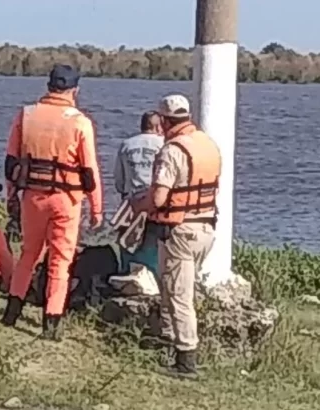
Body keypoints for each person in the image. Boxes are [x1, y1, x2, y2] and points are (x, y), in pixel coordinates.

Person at [0, 64, 104, 341]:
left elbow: (11, 162)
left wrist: (11, 194)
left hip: (32, 196)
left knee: (28, 254)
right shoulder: (81, 122)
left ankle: (12, 311)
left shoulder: (26, 114)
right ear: (75, 90)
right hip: (66, 200)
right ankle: (51, 322)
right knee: (60, 260)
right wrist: (96, 207)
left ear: (48, 86)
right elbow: (89, 170)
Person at [136, 93, 221, 379]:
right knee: (179, 289)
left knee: (178, 294)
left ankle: (186, 359)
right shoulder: (206, 144)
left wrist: (138, 205)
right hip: (206, 228)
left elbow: (159, 198)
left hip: (179, 231)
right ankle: (169, 340)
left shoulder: (173, 150)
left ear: (165, 120)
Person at [113, 110, 164, 277]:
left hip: (130, 204)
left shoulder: (127, 145)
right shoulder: (164, 145)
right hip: (155, 203)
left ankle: (127, 274)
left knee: (128, 243)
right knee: (153, 246)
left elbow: (119, 179)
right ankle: (153, 280)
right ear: (158, 126)